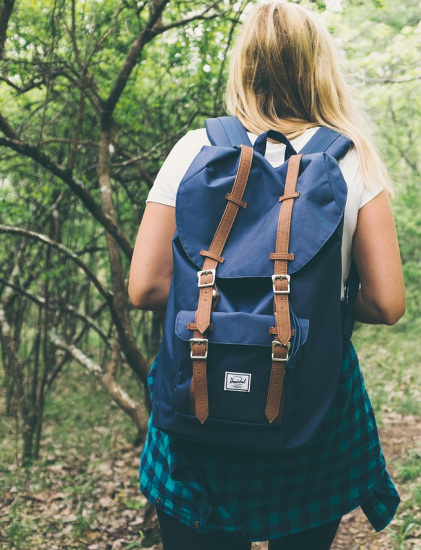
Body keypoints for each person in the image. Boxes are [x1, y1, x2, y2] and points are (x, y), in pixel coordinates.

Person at [128, 2, 405, 548]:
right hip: (310, 406)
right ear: (319, 66)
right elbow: (387, 304)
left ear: (244, 66)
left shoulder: (195, 149)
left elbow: (146, 287)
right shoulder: (353, 160)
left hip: (199, 400)